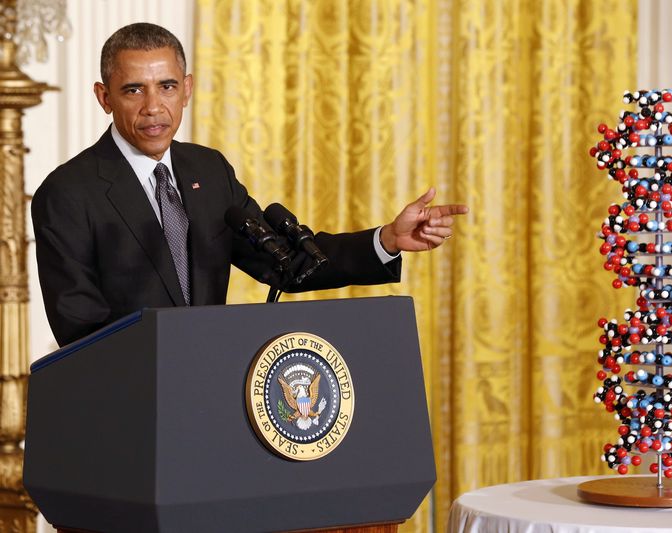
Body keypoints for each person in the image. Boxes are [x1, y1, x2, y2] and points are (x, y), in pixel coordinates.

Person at [32, 22, 468, 347]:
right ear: (104, 97)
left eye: (166, 86)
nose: (153, 107)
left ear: (186, 90)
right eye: (133, 90)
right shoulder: (68, 193)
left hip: (215, 393)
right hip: (127, 410)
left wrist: (387, 240)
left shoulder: (209, 169)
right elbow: (80, 328)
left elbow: (288, 263)